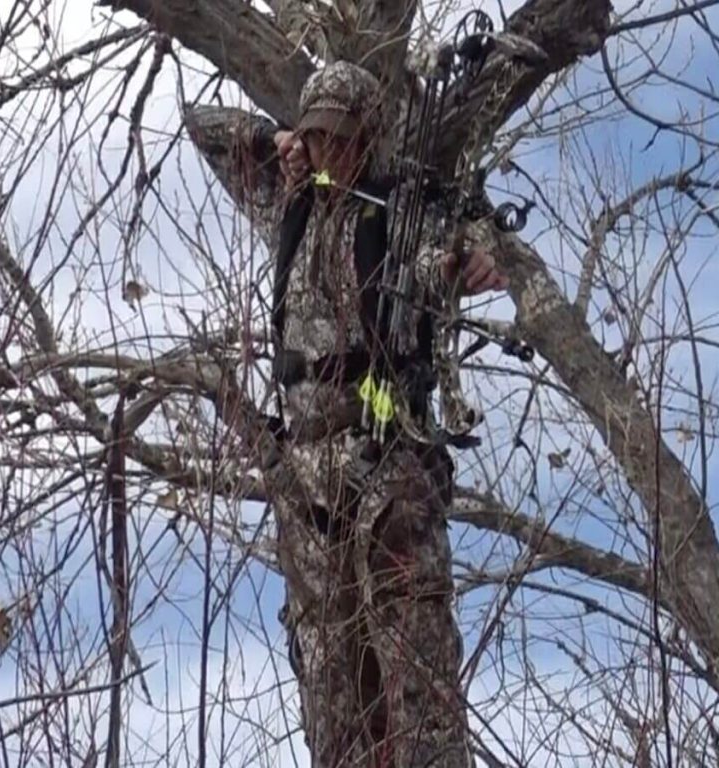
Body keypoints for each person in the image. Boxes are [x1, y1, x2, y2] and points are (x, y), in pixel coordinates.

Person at [223, 61, 508, 766]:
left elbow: (470, 244)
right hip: (307, 478)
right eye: (321, 139)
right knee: (333, 692)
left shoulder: (403, 213)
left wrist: (478, 257)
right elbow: (205, 129)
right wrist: (275, 138)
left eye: (345, 139)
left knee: (417, 682)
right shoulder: (289, 205)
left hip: (387, 463)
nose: (333, 154)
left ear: (371, 138)